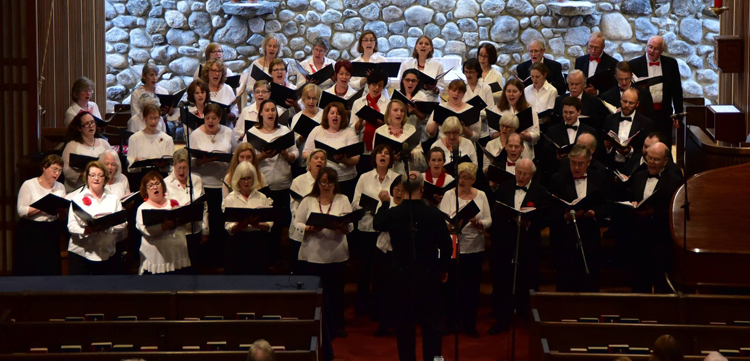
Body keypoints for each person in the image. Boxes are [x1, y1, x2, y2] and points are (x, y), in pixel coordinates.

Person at [372, 171, 452, 361]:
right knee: (431, 326)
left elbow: (377, 223)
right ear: (423, 190)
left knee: (404, 326)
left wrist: (384, 203)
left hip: (401, 277)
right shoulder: (433, 214)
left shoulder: (393, 213)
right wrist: (443, 268)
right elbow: (446, 245)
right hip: (428, 275)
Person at [488, 158, 548, 334]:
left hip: (528, 244)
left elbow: (544, 219)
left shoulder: (540, 191)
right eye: (519, 173)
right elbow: (496, 211)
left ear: (532, 175)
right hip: (505, 241)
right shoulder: (505, 187)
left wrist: (528, 224)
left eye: (525, 174)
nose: (521, 177)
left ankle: (525, 315)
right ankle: (502, 318)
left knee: (527, 279)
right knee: (503, 280)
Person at [295, 167, 354, 338]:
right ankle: (314, 326)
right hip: (312, 255)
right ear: (318, 183)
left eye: (330, 182)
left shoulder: (343, 199)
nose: (326, 185)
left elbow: (350, 225)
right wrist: (310, 228)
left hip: (336, 255)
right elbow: (296, 224)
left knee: (336, 294)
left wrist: (343, 227)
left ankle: (336, 326)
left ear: (335, 184)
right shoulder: (308, 201)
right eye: (323, 182)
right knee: (315, 295)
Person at [439, 162, 492, 337]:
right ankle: (451, 322)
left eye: (466, 178)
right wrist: (452, 224)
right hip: (454, 247)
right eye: (460, 177)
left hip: (474, 246)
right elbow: (443, 220)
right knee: (451, 287)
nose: (461, 181)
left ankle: (469, 324)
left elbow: (488, 220)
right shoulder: (449, 195)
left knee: (471, 288)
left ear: (474, 179)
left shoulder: (481, 195)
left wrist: (479, 223)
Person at [549, 145, 608, 292]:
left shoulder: (599, 178)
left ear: (588, 162)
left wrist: (594, 213)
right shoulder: (558, 179)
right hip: (566, 236)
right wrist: (565, 216)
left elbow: (606, 205)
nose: (576, 167)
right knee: (565, 279)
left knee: (590, 277)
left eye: (580, 164)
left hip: (590, 234)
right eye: (573, 163)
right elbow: (551, 208)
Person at [626, 142, 683, 293]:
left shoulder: (674, 182)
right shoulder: (638, 177)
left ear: (665, 161)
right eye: (649, 158)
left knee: (661, 284)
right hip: (639, 238)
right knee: (639, 283)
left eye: (656, 159)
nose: (651, 162)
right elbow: (632, 198)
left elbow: (676, 211)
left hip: (661, 239)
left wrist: (655, 213)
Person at [351, 143, 399, 316]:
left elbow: (398, 202)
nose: (383, 155)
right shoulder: (364, 177)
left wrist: (384, 207)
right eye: (380, 153)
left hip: (386, 232)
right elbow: (355, 203)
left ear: (390, 159)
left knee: (383, 273)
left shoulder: (397, 178)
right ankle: (362, 306)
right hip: (366, 228)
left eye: (387, 153)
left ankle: (380, 308)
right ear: (375, 157)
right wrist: (367, 206)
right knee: (365, 269)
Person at [249, 99, 298, 268]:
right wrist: (263, 155)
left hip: (283, 183)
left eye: (273, 110)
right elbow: (245, 159)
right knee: (262, 223)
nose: (270, 113)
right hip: (261, 185)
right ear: (261, 113)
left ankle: (276, 257)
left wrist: (284, 153)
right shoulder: (252, 133)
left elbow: (295, 155)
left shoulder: (284, 131)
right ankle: (263, 257)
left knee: (278, 225)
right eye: (267, 110)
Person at [189, 103, 238, 267]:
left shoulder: (228, 132)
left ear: (220, 118)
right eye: (207, 118)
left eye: (214, 118)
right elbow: (190, 162)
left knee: (220, 222)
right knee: (204, 222)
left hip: (223, 184)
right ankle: (205, 261)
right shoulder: (195, 134)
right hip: (203, 184)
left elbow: (236, 155)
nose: (210, 121)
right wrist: (202, 160)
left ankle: (220, 260)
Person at [67, 161, 127, 275]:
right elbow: (71, 225)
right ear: (87, 177)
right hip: (81, 254)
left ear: (105, 178)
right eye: (93, 175)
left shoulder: (113, 199)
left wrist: (108, 227)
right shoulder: (77, 199)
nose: (96, 179)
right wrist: (85, 230)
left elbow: (122, 223)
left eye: (100, 175)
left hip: (107, 253)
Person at [14, 155, 67, 276]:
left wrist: (63, 211)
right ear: (44, 168)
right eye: (54, 169)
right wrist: (44, 205)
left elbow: (62, 217)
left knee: (50, 267)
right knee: (30, 266)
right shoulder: (29, 184)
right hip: (31, 230)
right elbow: (22, 211)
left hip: (51, 229)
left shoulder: (60, 187)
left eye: (59, 170)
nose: (57, 173)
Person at [629, 35, 684, 148]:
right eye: (650, 47)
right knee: (643, 144)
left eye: (656, 48)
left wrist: (678, 115)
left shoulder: (671, 64)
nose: (651, 51)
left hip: (664, 113)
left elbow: (677, 91)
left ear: (662, 51)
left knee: (664, 144)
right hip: (643, 113)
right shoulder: (634, 64)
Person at [135, 171, 191, 275]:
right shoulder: (143, 208)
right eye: (150, 185)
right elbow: (146, 231)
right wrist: (163, 227)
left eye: (157, 183)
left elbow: (183, 224)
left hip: (177, 256)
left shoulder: (172, 203)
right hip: (157, 258)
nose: (155, 187)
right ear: (145, 190)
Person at [223, 161, 273, 274]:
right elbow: (229, 228)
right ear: (237, 179)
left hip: (258, 243)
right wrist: (244, 223)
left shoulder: (262, 197)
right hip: (237, 243)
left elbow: (269, 224)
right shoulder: (230, 199)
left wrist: (257, 224)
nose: (246, 182)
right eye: (243, 178)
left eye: (249, 178)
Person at [303, 102, 360, 200]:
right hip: (322, 181)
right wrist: (320, 157)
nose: (335, 116)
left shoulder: (349, 132)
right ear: (326, 115)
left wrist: (343, 160)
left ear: (342, 116)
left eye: (338, 113)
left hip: (346, 182)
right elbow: (305, 153)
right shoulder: (317, 130)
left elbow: (356, 159)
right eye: (332, 113)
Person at [165, 148, 208, 271]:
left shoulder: (197, 180)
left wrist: (205, 230)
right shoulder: (166, 183)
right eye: (178, 167)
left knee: (194, 267)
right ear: (173, 166)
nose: (182, 171)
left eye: (185, 167)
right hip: (176, 234)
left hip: (195, 231)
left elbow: (204, 207)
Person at [372, 175, 404, 336]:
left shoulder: (409, 207)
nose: (398, 193)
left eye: (402, 190)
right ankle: (383, 324)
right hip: (384, 252)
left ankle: (399, 324)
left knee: (399, 291)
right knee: (383, 289)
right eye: (396, 189)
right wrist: (385, 204)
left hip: (401, 255)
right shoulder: (386, 204)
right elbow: (378, 224)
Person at [543, 96, 598, 182]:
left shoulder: (590, 131)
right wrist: (556, 157)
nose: (567, 116)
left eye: (571, 113)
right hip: (561, 177)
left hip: (585, 176)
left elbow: (595, 155)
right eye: (565, 112)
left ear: (579, 112)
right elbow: (546, 157)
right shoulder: (552, 131)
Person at [289, 149, 327, 272]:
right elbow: (294, 208)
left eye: (322, 159)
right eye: (316, 158)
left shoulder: (328, 182)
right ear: (309, 162)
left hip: (321, 233)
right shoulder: (298, 181)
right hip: (300, 232)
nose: (319, 161)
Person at [602, 88, 654, 170]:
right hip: (611, 166)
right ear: (620, 100)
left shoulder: (646, 123)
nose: (626, 105)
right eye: (625, 101)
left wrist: (630, 151)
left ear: (637, 104)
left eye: (631, 103)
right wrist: (608, 148)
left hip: (633, 168)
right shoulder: (609, 119)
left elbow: (646, 150)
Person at [62, 111, 112, 192]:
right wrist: (89, 175)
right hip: (78, 189)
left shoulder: (104, 143)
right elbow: (67, 171)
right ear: (79, 128)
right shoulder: (72, 145)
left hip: (101, 187)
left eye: (92, 122)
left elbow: (113, 163)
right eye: (86, 124)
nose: (91, 126)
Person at [494, 79, 540, 159]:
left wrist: (522, 135)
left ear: (521, 93)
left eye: (514, 91)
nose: (511, 94)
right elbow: (492, 133)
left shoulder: (529, 109)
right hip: (501, 150)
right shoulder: (498, 109)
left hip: (524, 152)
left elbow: (536, 134)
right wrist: (505, 132)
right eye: (508, 91)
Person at [126, 103, 175, 174]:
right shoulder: (134, 138)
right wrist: (136, 163)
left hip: (160, 175)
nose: (153, 122)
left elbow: (171, 166)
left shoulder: (167, 139)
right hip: (140, 176)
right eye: (150, 118)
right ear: (144, 118)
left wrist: (163, 165)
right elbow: (130, 167)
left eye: (156, 118)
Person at [374, 99, 419, 174]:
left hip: (407, 173)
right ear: (389, 113)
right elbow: (375, 156)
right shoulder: (380, 131)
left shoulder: (411, 129)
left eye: (402, 111)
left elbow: (420, 153)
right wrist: (390, 158)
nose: (399, 113)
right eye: (395, 110)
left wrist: (410, 154)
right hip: (387, 174)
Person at [352, 70, 389, 158]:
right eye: (374, 84)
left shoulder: (388, 104)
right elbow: (352, 129)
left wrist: (383, 125)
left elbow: (391, 128)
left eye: (380, 85)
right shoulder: (358, 103)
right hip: (361, 145)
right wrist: (360, 121)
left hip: (380, 147)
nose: (376, 88)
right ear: (368, 84)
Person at [126, 63, 172, 133]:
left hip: (160, 124)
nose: (154, 78)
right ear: (144, 76)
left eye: (156, 75)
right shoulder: (136, 94)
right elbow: (136, 113)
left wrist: (168, 111)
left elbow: (170, 114)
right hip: (141, 126)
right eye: (151, 75)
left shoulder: (163, 91)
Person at [397, 36, 445, 101]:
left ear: (431, 48)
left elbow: (441, 87)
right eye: (420, 43)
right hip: (411, 100)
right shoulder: (406, 64)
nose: (423, 46)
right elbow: (401, 85)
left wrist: (434, 88)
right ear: (416, 47)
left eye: (426, 44)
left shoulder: (438, 65)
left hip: (431, 101)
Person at [290, 84, 323, 174]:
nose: (311, 101)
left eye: (314, 98)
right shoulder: (296, 117)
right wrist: (301, 138)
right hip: (302, 161)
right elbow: (292, 143)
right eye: (308, 98)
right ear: (303, 99)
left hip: (321, 161)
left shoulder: (323, 114)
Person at [463, 58, 496, 143]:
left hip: (483, 132)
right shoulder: (462, 87)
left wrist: (475, 113)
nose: (468, 75)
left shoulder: (486, 88)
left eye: (471, 72)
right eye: (466, 72)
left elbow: (490, 111)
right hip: (465, 133)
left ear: (477, 72)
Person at [351, 30, 389, 96]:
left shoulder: (382, 60)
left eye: (371, 40)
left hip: (381, 98)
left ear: (375, 43)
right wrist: (365, 79)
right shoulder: (355, 62)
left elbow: (389, 84)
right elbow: (352, 85)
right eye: (366, 40)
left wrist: (378, 77)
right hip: (362, 98)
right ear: (361, 43)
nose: (369, 43)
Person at [200, 58, 238, 124]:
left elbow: (235, 109)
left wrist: (231, 115)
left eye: (219, 71)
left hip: (226, 129)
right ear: (207, 72)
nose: (217, 74)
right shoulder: (202, 90)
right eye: (214, 70)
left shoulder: (227, 88)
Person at [398, 69, 431, 142]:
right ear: (403, 80)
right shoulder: (397, 94)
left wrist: (415, 111)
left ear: (417, 82)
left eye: (413, 81)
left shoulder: (421, 96)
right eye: (407, 80)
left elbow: (425, 120)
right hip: (399, 132)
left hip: (417, 133)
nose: (410, 83)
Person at [524, 62, 558, 129]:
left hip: (545, 125)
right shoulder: (526, 90)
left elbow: (550, 111)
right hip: (529, 126)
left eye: (537, 77)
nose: (534, 79)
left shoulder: (552, 90)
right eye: (532, 76)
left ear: (544, 75)